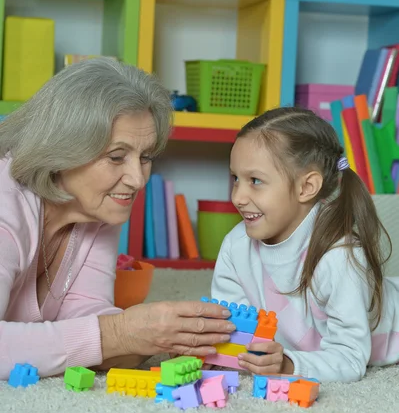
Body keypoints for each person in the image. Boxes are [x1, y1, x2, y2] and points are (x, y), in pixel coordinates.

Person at [0, 57, 235, 381]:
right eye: (116, 157)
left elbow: (88, 316)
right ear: (61, 150)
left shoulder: (95, 208)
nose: (138, 179)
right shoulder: (5, 209)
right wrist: (121, 333)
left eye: (147, 157)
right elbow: (105, 333)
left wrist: (160, 336)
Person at [211, 106, 399, 383]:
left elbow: (349, 358)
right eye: (235, 178)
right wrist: (213, 351)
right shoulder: (235, 247)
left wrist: (288, 365)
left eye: (255, 181)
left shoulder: (340, 257)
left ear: (306, 187)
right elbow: (234, 331)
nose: (238, 196)